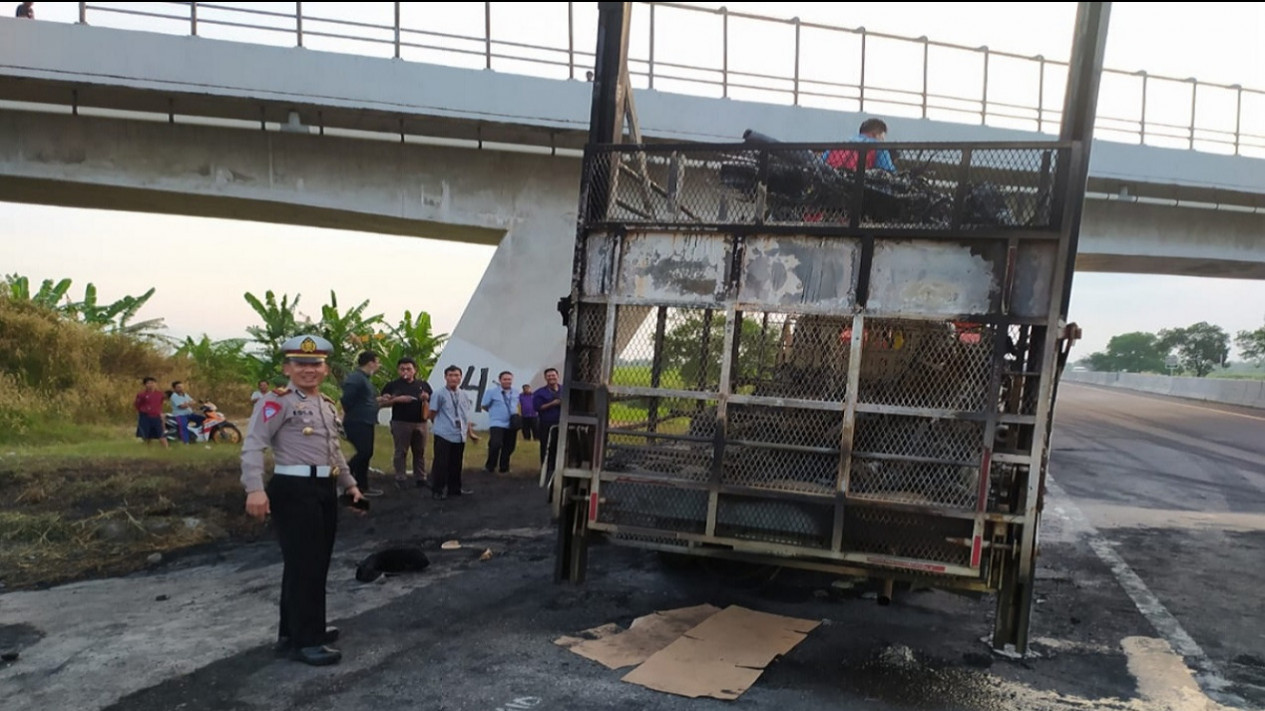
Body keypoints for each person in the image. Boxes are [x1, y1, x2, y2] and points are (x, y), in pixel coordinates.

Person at [240, 334, 364, 667]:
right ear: (287, 368)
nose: (308, 370)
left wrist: (350, 485)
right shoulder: (276, 402)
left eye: (315, 364)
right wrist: (254, 488)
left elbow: (334, 450)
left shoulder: (325, 404)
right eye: (300, 364)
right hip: (293, 489)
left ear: (325, 369)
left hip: (324, 488)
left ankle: (293, 632)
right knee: (305, 564)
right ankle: (306, 641)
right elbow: (253, 445)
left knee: (312, 564)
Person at [339, 351, 389, 497]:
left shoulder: (365, 379)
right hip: (357, 421)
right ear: (371, 363)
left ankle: (362, 485)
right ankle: (343, 477)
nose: (379, 365)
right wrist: (352, 413)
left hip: (366, 421)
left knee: (367, 453)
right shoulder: (356, 378)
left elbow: (363, 399)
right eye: (377, 362)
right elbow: (346, 399)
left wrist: (378, 400)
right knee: (364, 452)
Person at [427, 364, 478, 500]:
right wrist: (438, 425)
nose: (453, 378)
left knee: (456, 463)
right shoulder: (438, 394)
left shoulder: (464, 395)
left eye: (456, 375)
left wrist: (470, 432)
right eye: (450, 375)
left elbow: (465, 416)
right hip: (444, 433)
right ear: (445, 377)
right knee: (441, 463)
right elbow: (432, 413)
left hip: (459, 434)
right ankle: (437, 490)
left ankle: (454, 489)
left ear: (461, 378)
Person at [380, 357, 432, 489]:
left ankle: (421, 478)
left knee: (419, 451)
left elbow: (432, 401)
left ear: (415, 370)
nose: (405, 371)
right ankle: (400, 477)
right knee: (401, 451)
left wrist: (426, 398)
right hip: (401, 422)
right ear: (398, 370)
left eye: (409, 368)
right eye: (402, 369)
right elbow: (382, 402)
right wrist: (397, 400)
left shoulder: (423, 385)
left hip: (421, 422)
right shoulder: (392, 385)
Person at [823, 117, 897, 173]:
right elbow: (889, 172)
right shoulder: (879, 147)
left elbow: (822, 163)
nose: (883, 140)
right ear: (875, 135)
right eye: (882, 137)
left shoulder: (837, 146)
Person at [481, 371, 518, 474]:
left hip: (511, 423)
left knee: (509, 446)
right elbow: (484, 405)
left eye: (509, 379)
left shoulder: (516, 392)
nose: (507, 381)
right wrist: (494, 413)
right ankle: (490, 466)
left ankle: (504, 467)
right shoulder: (491, 392)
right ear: (500, 380)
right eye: (505, 379)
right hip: (497, 423)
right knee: (495, 444)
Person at [532, 368, 563, 479]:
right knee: (546, 446)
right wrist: (553, 403)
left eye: (553, 375)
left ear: (557, 376)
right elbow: (537, 408)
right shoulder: (539, 393)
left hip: (562, 423)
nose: (551, 378)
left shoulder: (564, 390)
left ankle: (558, 469)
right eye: (549, 376)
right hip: (546, 424)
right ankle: (546, 469)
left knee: (560, 446)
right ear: (545, 378)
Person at [134, 377, 168, 449]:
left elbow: (160, 403)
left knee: (161, 434)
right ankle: (148, 449)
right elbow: (137, 405)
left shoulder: (160, 394)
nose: (151, 385)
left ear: (155, 384)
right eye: (148, 383)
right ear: (145, 385)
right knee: (146, 435)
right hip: (145, 416)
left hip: (156, 416)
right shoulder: (141, 394)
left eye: (152, 383)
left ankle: (166, 449)